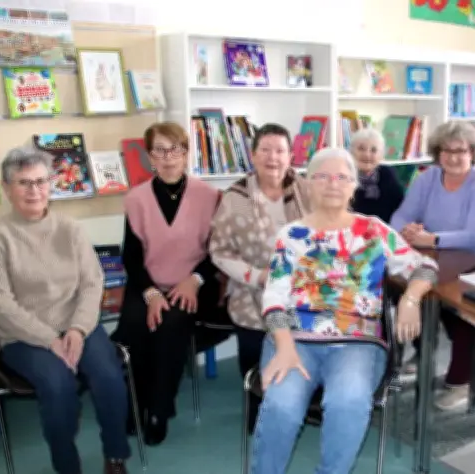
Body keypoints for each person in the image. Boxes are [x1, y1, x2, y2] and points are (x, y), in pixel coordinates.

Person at [249, 148, 438, 474]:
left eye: (342, 177)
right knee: (281, 405)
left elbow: (425, 266)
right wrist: (283, 344)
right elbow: (274, 297)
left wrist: (411, 299)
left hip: (357, 342)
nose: (332, 184)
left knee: (347, 402)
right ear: (307, 184)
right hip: (294, 338)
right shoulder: (291, 235)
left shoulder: (374, 230)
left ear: (354, 185)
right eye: (322, 175)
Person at [0, 146, 131, 474]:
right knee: (58, 385)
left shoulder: (71, 228)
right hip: (24, 336)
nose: (34, 190)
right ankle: (67, 465)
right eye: (23, 183)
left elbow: (93, 283)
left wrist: (78, 330)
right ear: (7, 189)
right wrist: (50, 339)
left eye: (40, 181)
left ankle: (116, 456)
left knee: (108, 377)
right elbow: (0, 304)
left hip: (79, 325)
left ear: (51, 184)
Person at [111, 122, 223, 446]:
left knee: (171, 325)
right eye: (160, 149)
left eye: (175, 149)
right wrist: (149, 293)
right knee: (134, 326)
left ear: (187, 153)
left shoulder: (210, 196)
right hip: (147, 282)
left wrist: (195, 279)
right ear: (150, 157)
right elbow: (131, 256)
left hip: (193, 283)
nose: (168, 156)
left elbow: (217, 251)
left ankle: (160, 410)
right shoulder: (136, 199)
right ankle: (136, 404)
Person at [390, 120, 475, 409]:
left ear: (473, 152)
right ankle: (419, 352)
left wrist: (432, 239)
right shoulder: (427, 178)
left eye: (461, 150)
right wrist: (408, 232)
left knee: (456, 311)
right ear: (437, 153)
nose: (453, 157)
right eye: (446, 150)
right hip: (434, 256)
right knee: (403, 291)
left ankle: (461, 380)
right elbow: (400, 216)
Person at [209, 123, 309, 378]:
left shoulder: (306, 190)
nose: (272, 157)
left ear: (291, 157)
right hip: (252, 291)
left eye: (279, 151)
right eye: (264, 149)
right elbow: (220, 251)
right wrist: (259, 276)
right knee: (257, 356)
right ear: (252, 156)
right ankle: (258, 405)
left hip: (303, 289)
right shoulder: (236, 197)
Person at [349, 128, 404, 223]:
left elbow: (400, 209)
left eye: (373, 150)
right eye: (361, 148)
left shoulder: (387, 174)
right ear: (351, 151)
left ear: (382, 155)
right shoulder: (344, 176)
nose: (367, 154)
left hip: (384, 231)